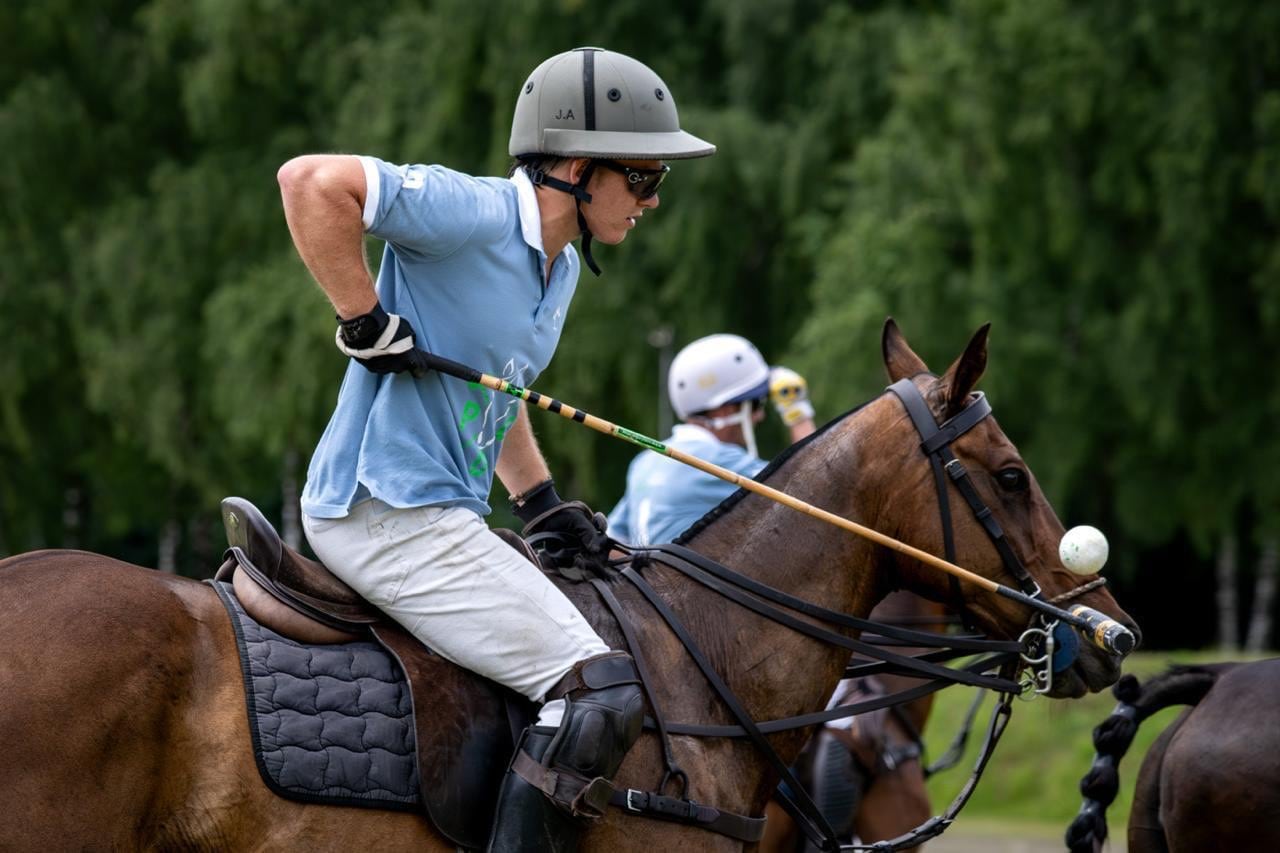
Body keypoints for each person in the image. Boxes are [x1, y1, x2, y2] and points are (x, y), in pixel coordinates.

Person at [276, 47, 714, 852]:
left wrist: (540, 502)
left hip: (442, 513)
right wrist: (363, 316)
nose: (652, 201)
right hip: (382, 510)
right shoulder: (468, 212)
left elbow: (499, 386)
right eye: (644, 178)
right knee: (601, 688)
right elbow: (310, 182)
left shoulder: (565, 268)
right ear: (580, 168)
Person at [607, 334, 815, 546]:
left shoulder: (645, 462)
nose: (759, 416)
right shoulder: (719, 460)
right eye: (755, 405)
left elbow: (614, 542)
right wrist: (797, 414)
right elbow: (812, 488)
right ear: (726, 410)